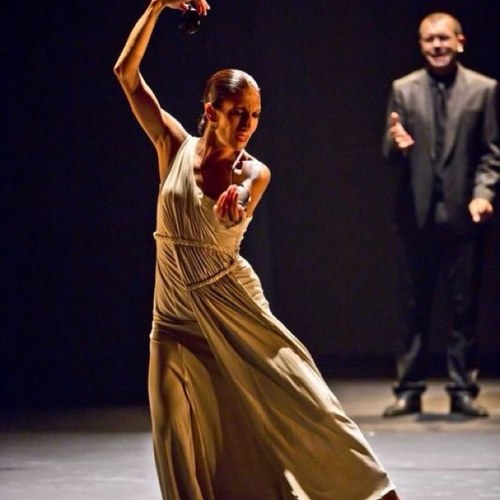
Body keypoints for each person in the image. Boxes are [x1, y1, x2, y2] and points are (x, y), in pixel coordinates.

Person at [114, 1, 401, 498]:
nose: (248, 123)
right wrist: (158, 6)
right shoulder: (173, 146)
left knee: (300, 396)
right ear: (210, 112)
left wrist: (236, 208)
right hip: (173, 320)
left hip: (233, 305)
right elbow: (126, 74)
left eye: (255, 115)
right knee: (173, 437)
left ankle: (369, 490)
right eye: (238, 113)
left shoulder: (253, 171)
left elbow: (242, 198)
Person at [382, 11, 499, 418]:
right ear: (420, 44)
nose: (436, 46)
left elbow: (490, 153)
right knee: (413, 306)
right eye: (429, 39)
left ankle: (463, 389)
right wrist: (397, 144)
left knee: (464, 307)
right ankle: (409, 389)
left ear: (459, 41)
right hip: (415, 218)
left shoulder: (484, 90)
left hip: (465, 218)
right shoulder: (404, 89)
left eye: (443, 39)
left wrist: (484, 195)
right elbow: (388, 150)